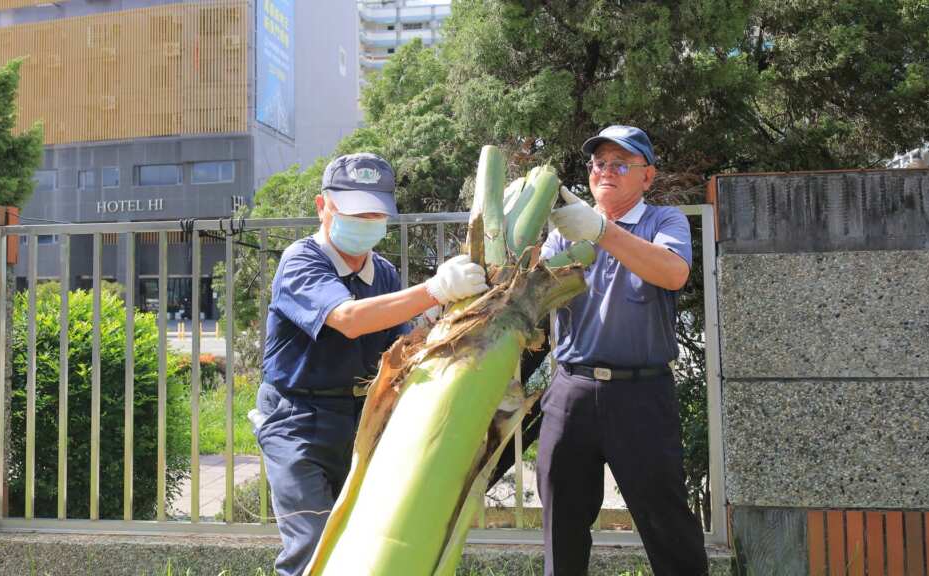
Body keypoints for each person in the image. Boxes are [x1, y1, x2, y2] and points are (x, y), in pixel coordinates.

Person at [253, 152, 489, 576]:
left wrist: (432, 322)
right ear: (323, 207)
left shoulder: (382, 274)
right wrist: (435, 290)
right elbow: (349, 319)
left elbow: (395, 347)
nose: (366, 220)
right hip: (295, 421)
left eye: (375, 213)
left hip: (360, 418)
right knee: (310, 542)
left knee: (356, 538)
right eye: (355, 211)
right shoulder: (301, 261)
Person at [537, 126, 708, 575]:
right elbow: (536, 295)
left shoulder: (663, 222)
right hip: (571, 391)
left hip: (641, 396)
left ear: (647, 177)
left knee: (666, 520)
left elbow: (672, 273)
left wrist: (601, 230)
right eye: (598, 164)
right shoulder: (565, 231)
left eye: (620, 164)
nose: (605, 171)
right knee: (562, 525)